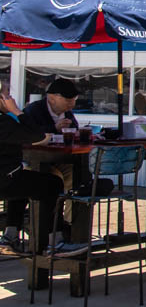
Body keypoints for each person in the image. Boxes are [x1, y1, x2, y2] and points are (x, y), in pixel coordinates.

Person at [0, 92, 86, 257]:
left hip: (10, 176)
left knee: (26, 179)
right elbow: (37, 135)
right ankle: (56, 242)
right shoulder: (4, 122)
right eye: (7, 96)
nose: (11, 98)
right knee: (51, 184)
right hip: (4, 180)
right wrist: (17, 111)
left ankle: (10, 236)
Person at [22, 78, 81, 223]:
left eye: (73, 99)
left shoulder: (67, 113)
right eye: (67, 99)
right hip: (34, 161)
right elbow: (28, 134)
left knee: (78, 179)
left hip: (60, 159)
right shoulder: (34, 110)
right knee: (54, 180)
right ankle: (49, 224)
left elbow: (75, 131)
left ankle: (71, 225)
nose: (71, 103)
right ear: (52, 98)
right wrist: (54, 128)